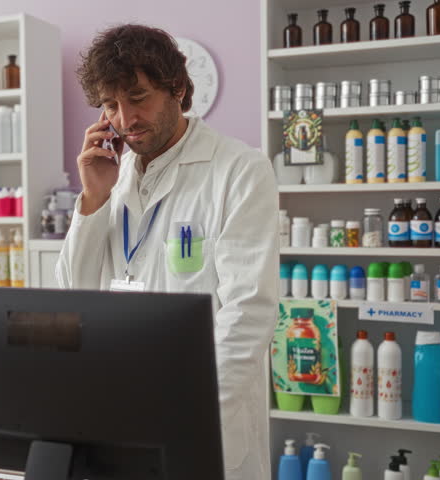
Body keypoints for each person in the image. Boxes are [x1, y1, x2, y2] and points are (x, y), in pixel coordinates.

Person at [56, 24, 278, 480]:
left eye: (138, 97)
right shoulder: (109, 176)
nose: (125, 119)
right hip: (118, 415)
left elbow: (248, 314)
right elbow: (71, 296)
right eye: (111, 105)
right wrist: (94, 199)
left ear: (177, 88)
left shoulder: (239, 170)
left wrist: (184, 416)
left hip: (201, 423)